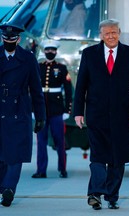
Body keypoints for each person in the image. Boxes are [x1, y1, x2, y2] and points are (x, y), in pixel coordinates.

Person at [73, 19, 129, 210]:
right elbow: (81, 85)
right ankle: (95, 193)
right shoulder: (89, 54)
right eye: (107, 33)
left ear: (119, 33)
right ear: (101, 35)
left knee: (117, 157)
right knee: (97, 155)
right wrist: (78, 112)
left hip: (122, 114)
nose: (111, 36)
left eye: (114, 32)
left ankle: (112, 195)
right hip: (96, 114)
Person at [0, 23, 46, 207]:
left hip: (19, 110)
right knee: (2, 155)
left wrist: (40, 115)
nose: (8, 42)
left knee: (16, 153)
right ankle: (4, 187)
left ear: (18, 40)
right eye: (5, 39)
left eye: (12, 39)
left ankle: (9, 188)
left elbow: (36, 89)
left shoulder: (27, 59)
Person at [31, 40, 72, 179]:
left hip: (56, 109)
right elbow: (32, 89)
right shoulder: (38, 67)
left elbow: (68, 90)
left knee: (59, 140)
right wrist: (32, 109)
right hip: (41, 110)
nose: (50, 52)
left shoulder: (61, 68)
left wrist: (67, 111)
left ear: (56, 51)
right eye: (47, 50)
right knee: (41, 141)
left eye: (52, 50)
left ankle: (62, 169)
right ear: (44, 51)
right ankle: (41, 170)